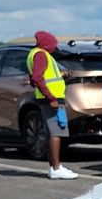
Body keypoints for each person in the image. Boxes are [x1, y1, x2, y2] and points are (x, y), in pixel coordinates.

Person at [27, 31, 77, 180]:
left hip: (47, 98)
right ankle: (56, 168)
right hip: (51, 99)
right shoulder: (41, 54)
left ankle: (54, 167)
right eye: (53, 44)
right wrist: (51, 98)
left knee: (51, 132)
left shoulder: (34, 54)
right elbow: (37, 77)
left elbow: (35, 77)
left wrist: (61, 76)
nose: (54, 47)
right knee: (56, 132)